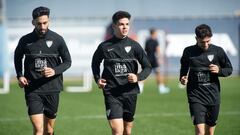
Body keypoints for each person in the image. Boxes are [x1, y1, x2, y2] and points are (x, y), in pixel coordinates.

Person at [91, 11, 151, 135]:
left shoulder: (135, 46)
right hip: (112, 93)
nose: (125, 27)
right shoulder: (104, 47)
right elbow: (95, 63)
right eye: (121, 24)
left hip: (130, 93)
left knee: (127, 131)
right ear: (114, 26)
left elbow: (147, 67)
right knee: (117, 130)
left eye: (127, 24)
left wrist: (138, 77)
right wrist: (98, 79)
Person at [14, 6, 71, 135]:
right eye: (39, 23)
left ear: (48, 21)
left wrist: (54, 71)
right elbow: (17, 57)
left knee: (49, 131)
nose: (42, 26)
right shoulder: (25, 40)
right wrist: (19, 75)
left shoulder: (58, 39)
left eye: (45, 23)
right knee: (38, 129)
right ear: (33, 22)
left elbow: (68, 61)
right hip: (33, 89)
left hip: (52, 89)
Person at [179, 24, 232, 135]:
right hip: (195, 96)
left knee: (210, 132)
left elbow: (229, 69)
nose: (206, 44)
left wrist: (220, 71)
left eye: (208, 41)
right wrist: (182, 78)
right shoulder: (188, 52)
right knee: (200, 132)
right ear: (196, 38)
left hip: (213, 96)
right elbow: (183, 69)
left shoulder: (218, 51)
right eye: (203, 42)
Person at [143, 28, 170, 94]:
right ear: (154, 33)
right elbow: (158, 51)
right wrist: (160, 59)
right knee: (158, 74)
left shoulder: (147, 41)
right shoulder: (155, 41)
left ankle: (140, 88)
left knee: (144, 74)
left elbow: (145, 50)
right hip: (154, 59)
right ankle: (161, 88)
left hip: (148, 59)